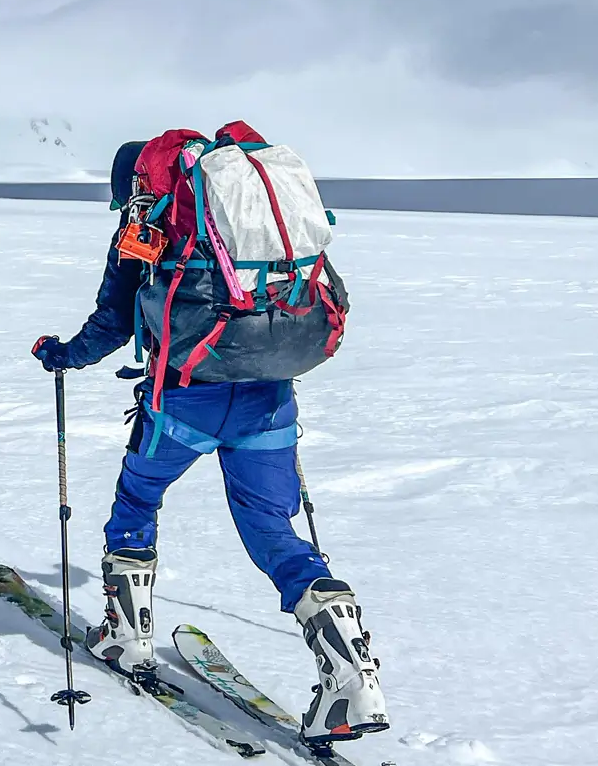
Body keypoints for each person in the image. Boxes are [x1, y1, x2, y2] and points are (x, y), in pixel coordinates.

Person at [29, 140, 389, 745]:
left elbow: (115, 321)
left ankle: (125, 632)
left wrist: (65, 356)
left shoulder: (148, 225)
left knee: (138, 503)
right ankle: (351, 671)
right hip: (269, 401)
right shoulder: (258, 225)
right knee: (275, 532)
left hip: (184, 400)